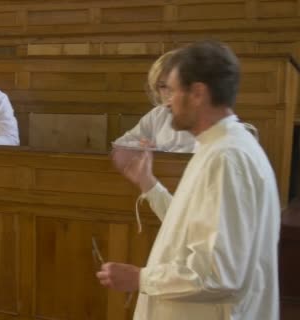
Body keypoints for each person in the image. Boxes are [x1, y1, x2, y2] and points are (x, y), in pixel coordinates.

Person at [100, 40, 280, 320]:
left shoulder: (226, 157)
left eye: (171, 90)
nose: (166, 102)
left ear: (197, 93)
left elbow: (218, 273)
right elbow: (190, 229)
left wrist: (141, 279)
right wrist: (149, 184)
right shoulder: (216, 148)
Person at [114, 50, 197, 152]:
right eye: (163, 86)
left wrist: (160, 152)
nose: (169, 92)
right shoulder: (158, 114)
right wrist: (140, 146)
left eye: (176, 84)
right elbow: (120, 144)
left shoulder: (208, 115)